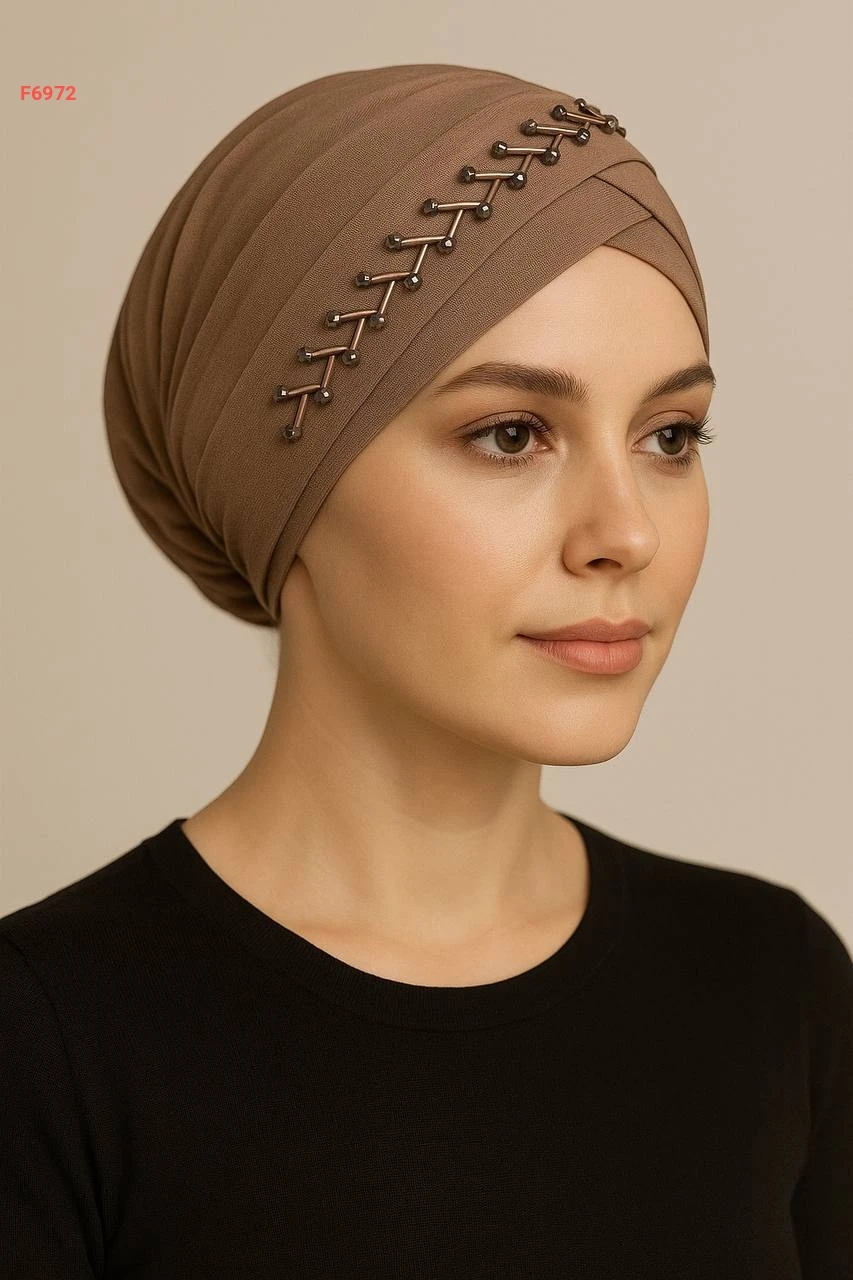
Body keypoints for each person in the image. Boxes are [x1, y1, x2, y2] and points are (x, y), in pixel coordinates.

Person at [1, 64, 850, 1279]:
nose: (626, 531)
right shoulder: (44, 1040)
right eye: (510, 433)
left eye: (669, 435)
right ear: (274, 484)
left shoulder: (772, 982)